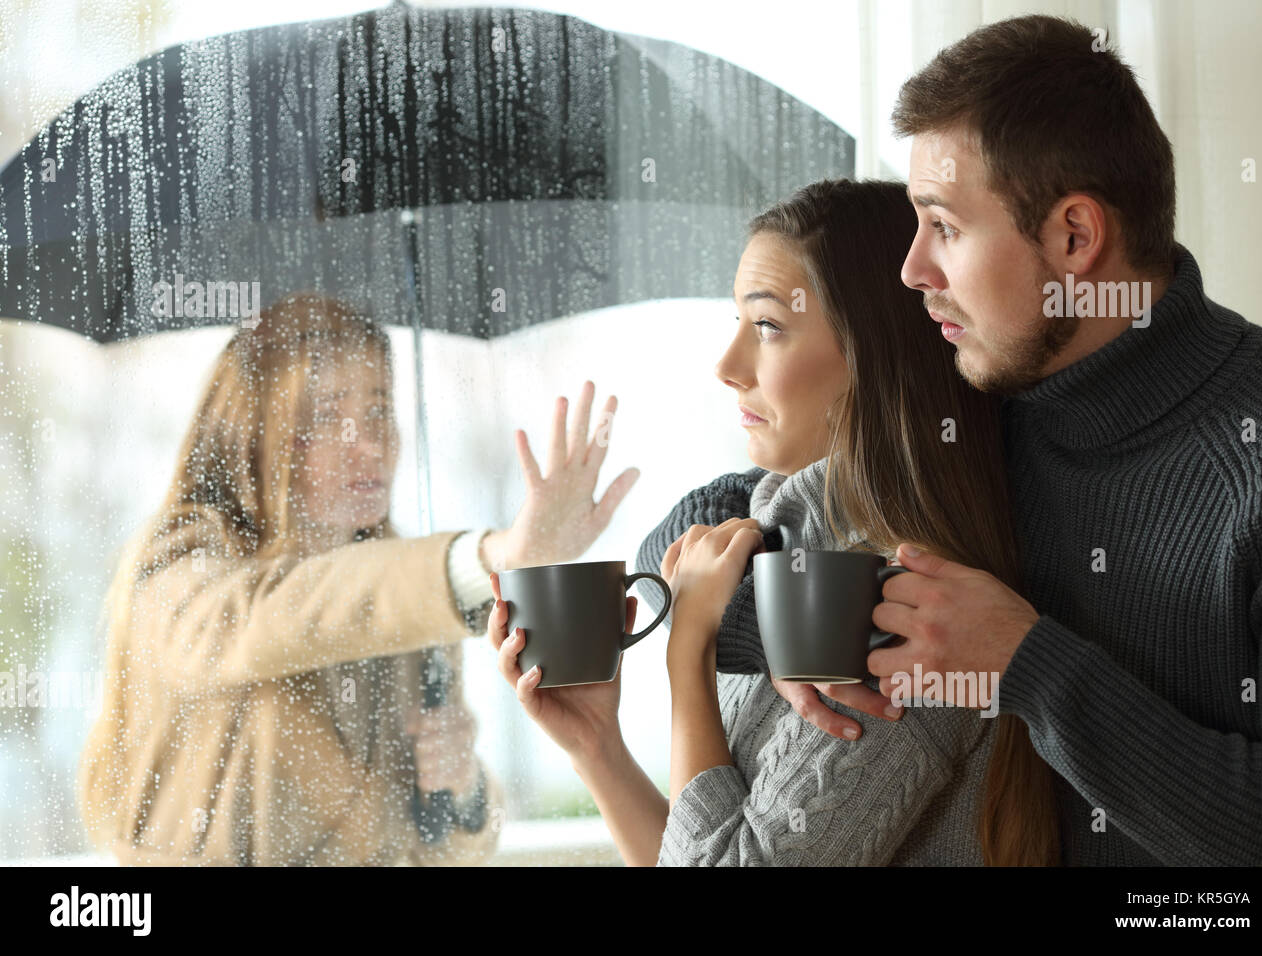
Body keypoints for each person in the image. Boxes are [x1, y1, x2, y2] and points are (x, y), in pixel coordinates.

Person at [789, 15, 1262, 865]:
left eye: (943, 227)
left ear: (1074, 238)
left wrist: (1028, 664)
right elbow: (722, 515)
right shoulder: (971, 400)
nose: (913, 270)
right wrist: (779, 631)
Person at [488, 179, 1061, 865]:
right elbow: (701, 850)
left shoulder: (910, 615)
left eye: (766, 327)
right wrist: (595, 747)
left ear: (873, 355)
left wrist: (690, 648)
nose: (728, 367)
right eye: (737, 323)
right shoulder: (772, 563)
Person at [78, 293, 639, 865]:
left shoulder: (413, 596)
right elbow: (279, 617)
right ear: (254, 436)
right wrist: (493, 555)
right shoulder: (180, 568)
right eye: (326, 418)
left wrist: (462, 788)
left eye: (377, 411)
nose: (369, 445)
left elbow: (443, 852)